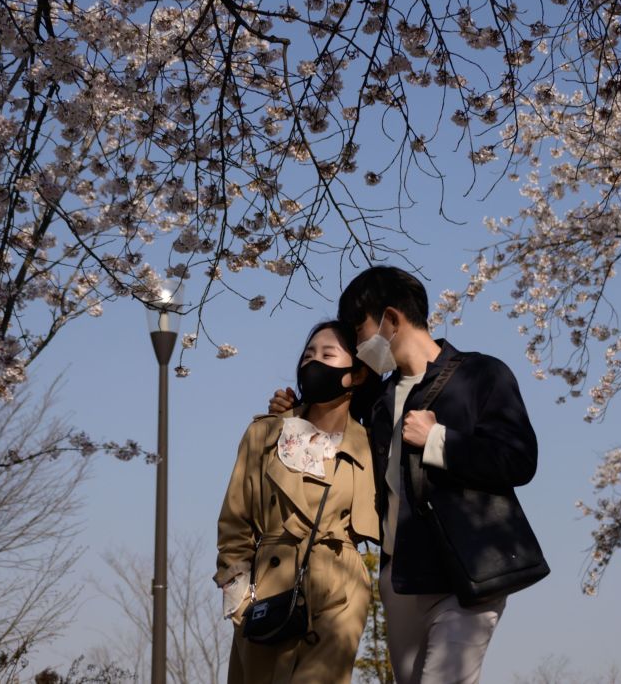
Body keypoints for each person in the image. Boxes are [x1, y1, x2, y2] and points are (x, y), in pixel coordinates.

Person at [271, 266, 544, 684]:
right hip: (400, 580)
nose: (360, 345)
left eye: (360, 331)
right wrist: (292, 413)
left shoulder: (480, 375)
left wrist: (438, 439)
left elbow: (519, 458)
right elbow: (336, 428)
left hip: (467, 576)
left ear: (391, 320)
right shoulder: (379, 401)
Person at [216, 321, 380, 684]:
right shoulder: (265, 433)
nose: (313, 363)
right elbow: (234, 523)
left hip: (339, 588)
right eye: (307, 355)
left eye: (327, 355)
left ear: (356, 374)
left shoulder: (370, 445)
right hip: (267, 592)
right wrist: (238, 597)